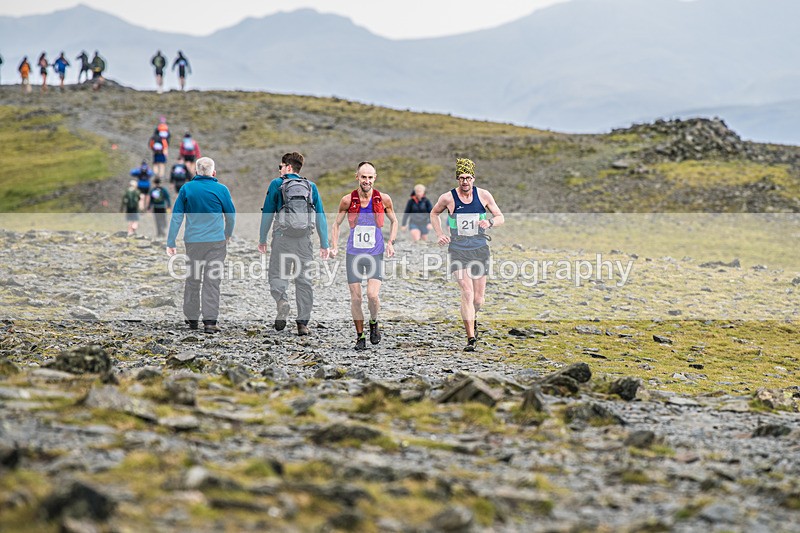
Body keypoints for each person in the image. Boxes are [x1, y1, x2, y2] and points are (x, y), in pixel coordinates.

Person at [430, 158, 504, 352]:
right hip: (458, 250)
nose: (465, 181)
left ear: (473, 178)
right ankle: (470, 338)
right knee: (467, 292)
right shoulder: (448, 198)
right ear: (457, 179)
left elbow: (500, 217)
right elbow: (433, 214)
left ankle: (473, 317)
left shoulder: (484, 195)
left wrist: (489, 223)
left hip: (479, 249)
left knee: (478, 300)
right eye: (461, 178)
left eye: (468, 177)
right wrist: (440, 234)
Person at [258, 152, 329, 336]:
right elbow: (320, 216)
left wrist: (262, 239)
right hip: (304, 240)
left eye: (281, 166)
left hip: (282, 238)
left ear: (288, 167)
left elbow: (267, 212)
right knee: (304, 280)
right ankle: (302, 324)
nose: (279, 170)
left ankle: (282, 302)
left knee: (278, 273)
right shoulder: (310, 186)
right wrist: (324, 243)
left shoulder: (277, 184)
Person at [330, 161, 398, 350]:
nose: (366, 181)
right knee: (356, 299)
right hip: (353, 254)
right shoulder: (347, 200)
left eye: (370, 177)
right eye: (363, 177)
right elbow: (336, 224)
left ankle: (374, 322)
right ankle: (360, 337)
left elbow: (394, 221)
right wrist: (334, 246)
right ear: (357, 177)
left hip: (375, 253)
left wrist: (390, 242)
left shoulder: (384, 199)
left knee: (372, 295)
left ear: (375, 178)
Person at [167, 157, 236, 334]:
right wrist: (227, 234)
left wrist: (171, 241)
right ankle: (210, 322)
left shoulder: (187, 188)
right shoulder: (221, 189)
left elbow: (177, 216)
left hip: (193, 242)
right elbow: (231, 215)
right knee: (212, 281)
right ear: (214, 172)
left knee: (193, 279)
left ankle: (191, 319)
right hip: (216, 242)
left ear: (196, 172)